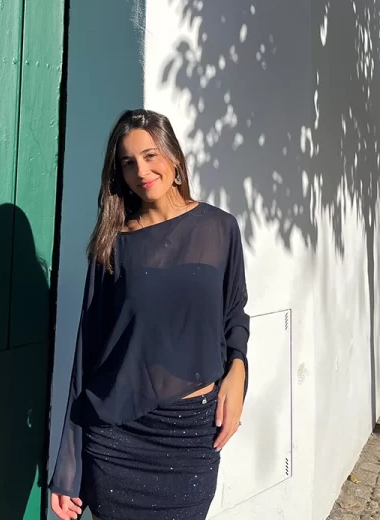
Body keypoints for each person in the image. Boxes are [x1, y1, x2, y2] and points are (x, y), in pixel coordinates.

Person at [49, 109, 250, 520]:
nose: (141, 170)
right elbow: (87, 353)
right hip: (117, 439)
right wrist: (68, 466)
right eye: (128, 162)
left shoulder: (219, 229)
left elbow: (235, 313)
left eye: (150, 155)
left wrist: (238, 371)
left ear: (173, 156)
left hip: (191, 434)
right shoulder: (113, 245)